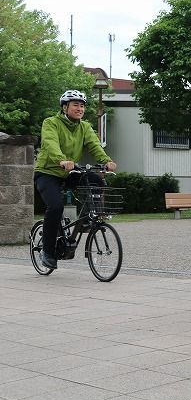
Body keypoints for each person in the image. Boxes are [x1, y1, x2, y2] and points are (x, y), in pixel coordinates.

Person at [34, 90, 117, 270]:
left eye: (82, 106)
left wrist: (106, 161)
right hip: (47, 173)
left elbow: (94, 146)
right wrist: (61, 160)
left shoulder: (84, 127)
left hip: (70, 172)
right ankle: (47, 252)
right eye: (75, 105)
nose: (80, 108)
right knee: (56, 207)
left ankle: (89, 218)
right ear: (65, 107)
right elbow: (50, 144)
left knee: (96, 180)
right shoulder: (51, 123)